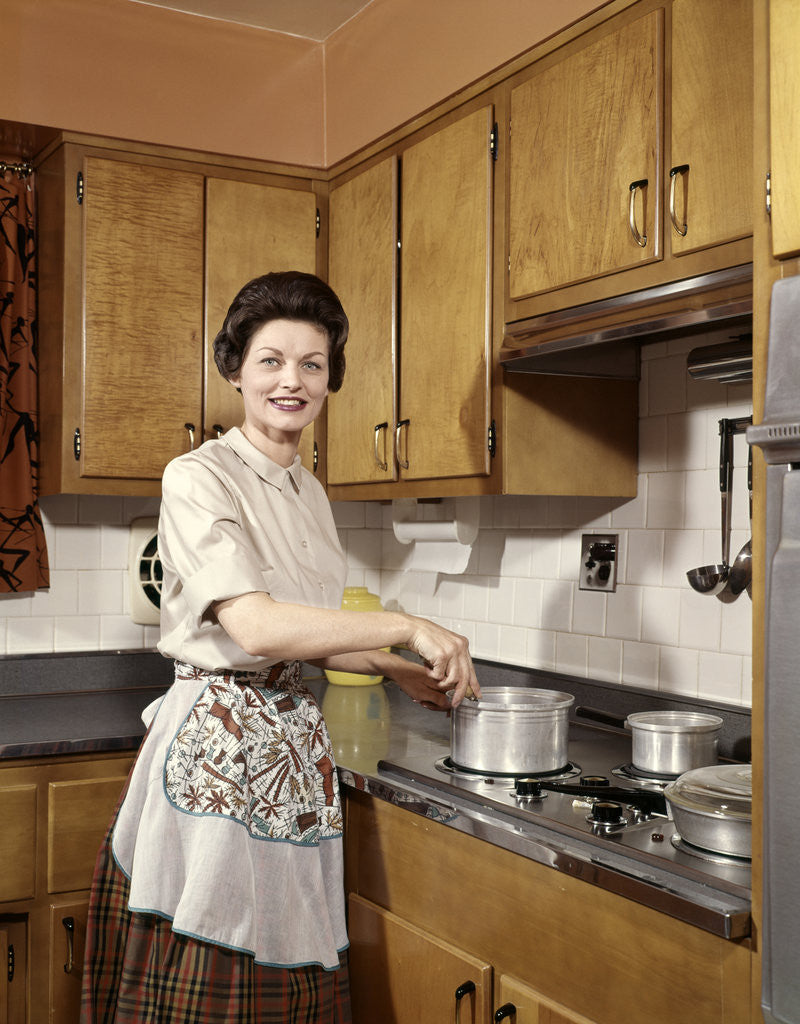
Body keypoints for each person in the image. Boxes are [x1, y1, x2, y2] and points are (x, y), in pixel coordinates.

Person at [80, 270, 479, 1024]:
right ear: (235, 370)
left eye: (311, 364)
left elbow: (310, 633)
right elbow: (258, 629)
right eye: (270, 360)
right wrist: (405, 625)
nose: (291, 381)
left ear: (330, 381)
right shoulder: (198, 477)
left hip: (292, 752)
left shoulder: (312, 493)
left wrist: (394, 668)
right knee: (218, 963)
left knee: (288, 968)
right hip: (218, 747)